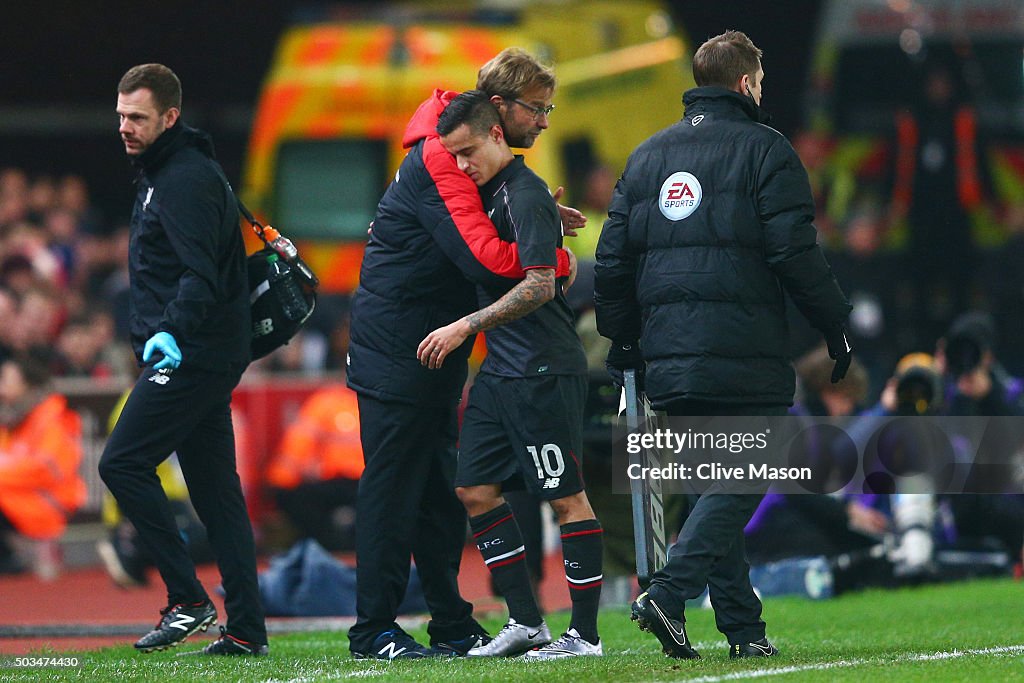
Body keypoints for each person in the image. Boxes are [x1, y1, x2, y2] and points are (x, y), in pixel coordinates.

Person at [594, 30, 852, 660]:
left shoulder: (648, 156)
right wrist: (834, 324)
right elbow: (794, 251)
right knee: (743, 474)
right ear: (745, 84)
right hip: (744, 351)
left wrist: (624, 341)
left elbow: (611, 260)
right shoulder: (767, 151)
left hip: (668, 358)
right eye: (759, 83)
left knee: (716, 483)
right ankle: (670, 590)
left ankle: (744, 630)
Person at [345, 47, 580, 660]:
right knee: (394, 487)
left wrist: (539, 219)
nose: (545, 121)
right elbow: (478, 257)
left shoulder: (463, 159)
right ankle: (373, 630)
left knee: (434, 491)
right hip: (399, 343)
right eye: (538, 108)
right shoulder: (443, 158)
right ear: (498, 112)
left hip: (429, 340)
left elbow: (475, 232)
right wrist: (550, 260)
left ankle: (449, 619)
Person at [418, 90, 603, 660]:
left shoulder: (523, 192)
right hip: (503, 370)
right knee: (474, 489)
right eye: (453, 157)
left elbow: (543, 283)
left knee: (566, 498)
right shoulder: (495, 193)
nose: (462, 165)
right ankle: (525, 621)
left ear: (496, 135)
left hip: (542, 367)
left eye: (468, 152)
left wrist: (465, 325)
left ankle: (586, 636)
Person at [97, 64, 267, 656]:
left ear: (170, 117)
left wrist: (168, 333)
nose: (125, 126)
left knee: (121, 464)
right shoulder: (166, 171)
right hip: (203, 348)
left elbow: (200, 274)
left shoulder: (184, 178)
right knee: (217, 493)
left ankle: (188, 600)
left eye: (137, 117)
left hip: (192, 351)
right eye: (120, 115)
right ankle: (246, 629)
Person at [0, 352, 85, 575]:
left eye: (7, 381)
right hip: (21, 497)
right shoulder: (13, 418)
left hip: (50, 502)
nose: (2, 389)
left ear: (28, 384)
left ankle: (16, 556)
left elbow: (46, 470)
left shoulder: (53, 417)